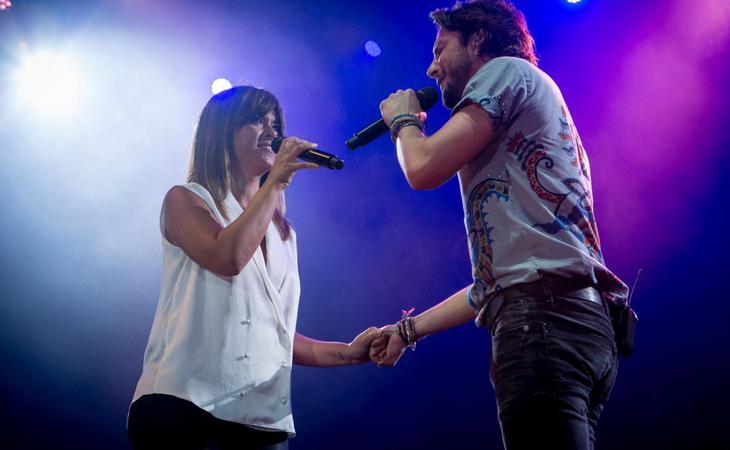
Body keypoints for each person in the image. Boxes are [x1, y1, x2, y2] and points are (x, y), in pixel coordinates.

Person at [370, 1, 629, 449]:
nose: (432, 68)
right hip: (571, 322)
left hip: (542, 324)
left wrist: (405, 122)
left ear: (478, 39)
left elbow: (422, 167)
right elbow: (493, 283)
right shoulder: (525, 111)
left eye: (440, 48)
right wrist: (407, 331)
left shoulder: (504, 70)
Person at [127, 86, 377, 450]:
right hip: (185, 406)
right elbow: (226, 257)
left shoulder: (283, 234)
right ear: (221, 132)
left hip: (261, 420)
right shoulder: (186, 200)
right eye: (258, 120)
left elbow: (271, 335)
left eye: (276, 123)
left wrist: (348, 352)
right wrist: (276, 183)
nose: (273, 132)